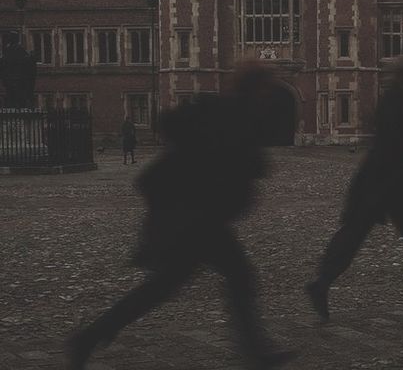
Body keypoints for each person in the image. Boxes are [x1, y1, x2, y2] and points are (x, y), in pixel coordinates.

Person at [66, 61, 296, 370]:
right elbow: (222, 159)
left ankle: (89, 337)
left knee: (164, 287)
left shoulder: (234, 112)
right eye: (267, 86)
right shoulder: (230, 113)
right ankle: (256, 353)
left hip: (196, 218)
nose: (270, 93)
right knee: (234, 278)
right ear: (256, 87)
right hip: (192, 219)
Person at [305, 58, 403, 322]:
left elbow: (386, 134)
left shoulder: (390, 97)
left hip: (377, 176)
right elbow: (395, 139)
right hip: (389, 179)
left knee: (357, 234)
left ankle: (322, 283)